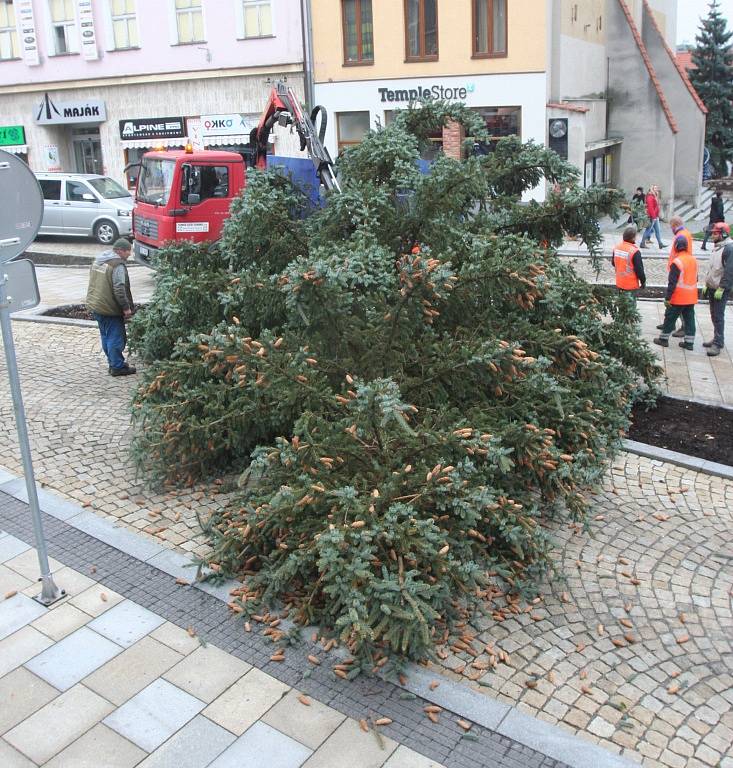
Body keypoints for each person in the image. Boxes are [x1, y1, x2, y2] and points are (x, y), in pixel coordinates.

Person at [85, 238, 136, 376]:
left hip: (96, 305)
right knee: (115, 337)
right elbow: (119, 288)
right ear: (119, 251)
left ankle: (113, 362)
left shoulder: (99, 260)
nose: (129, 254)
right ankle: (117, 367)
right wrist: (126, 308)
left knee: (105, 335)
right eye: (127, 251)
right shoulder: (117, 265)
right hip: (109, 308)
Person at [653, 231, 698, 351]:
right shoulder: (693, 260)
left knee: (670, 318)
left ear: (676, 247)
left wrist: (668, 298)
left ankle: (663, 339)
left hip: (679, 297)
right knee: (689, 319)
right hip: (691, 297)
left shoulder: (677, 262)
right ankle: (689, 343)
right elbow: (696, 278)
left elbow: (672, 283)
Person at [701, 222, 733, 356]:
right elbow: (714, 268)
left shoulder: (729, 249)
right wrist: (706, 284)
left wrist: (723, 287)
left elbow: (729, 271)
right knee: (714, 315)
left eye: (715, 233)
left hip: (720, 289)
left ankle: (718, 343)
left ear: (723, 234)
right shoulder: (717, 247)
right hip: (713, 286)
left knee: (718, 316)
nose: (712, 235)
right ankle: (716, 338)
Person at [612, 225, 646, 298]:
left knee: (621, 305)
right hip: (630, 285)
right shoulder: (634, 251)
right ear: (633, 238)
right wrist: (643, 282)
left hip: (619, 282)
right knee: (630, 307)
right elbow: (639, 270)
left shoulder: (616, 248)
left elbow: (613, 263)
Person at [640, 185, 667, 249]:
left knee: (658, 230)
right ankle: (642, 243)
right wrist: (654, 217)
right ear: (651, 189)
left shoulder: (654, 196)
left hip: (656, 217)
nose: (657, 189)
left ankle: (660, 244)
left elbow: (656, 206)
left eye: (657, 188)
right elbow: (650, 208)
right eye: (655, 188)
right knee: (648, 230)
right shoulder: (650, 197)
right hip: (652, 217)